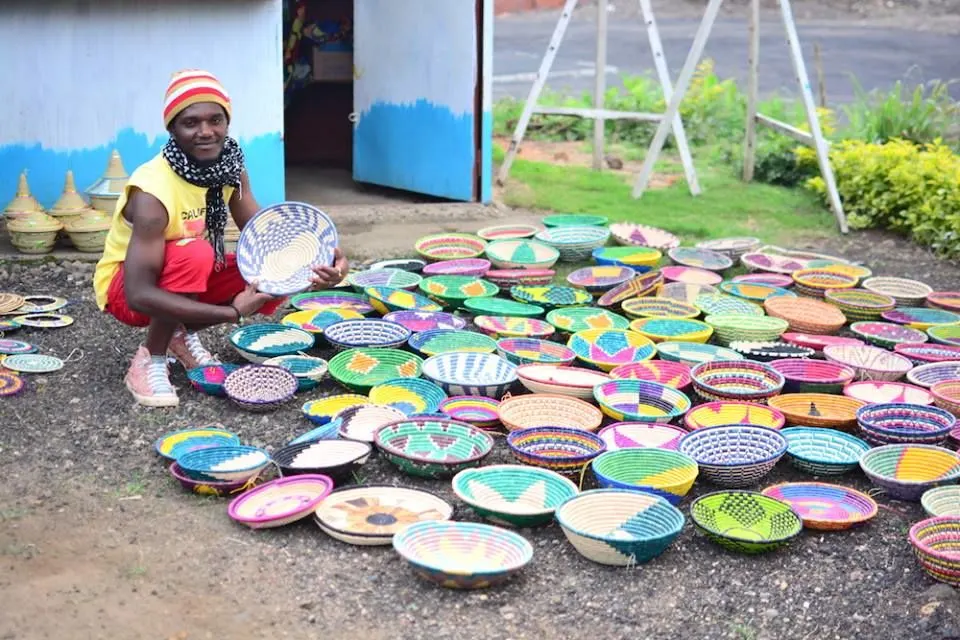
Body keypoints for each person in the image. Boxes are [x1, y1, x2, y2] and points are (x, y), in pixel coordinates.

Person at [92, 69, 348, 408]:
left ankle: (176, 334)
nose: (206, 132)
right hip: (124, 291)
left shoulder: (229, 167)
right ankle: (149, 359)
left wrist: (325, 264)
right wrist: (232, 313)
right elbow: (139, 295)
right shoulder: (153, 191)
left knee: (264, 275)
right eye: (190, 123)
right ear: (172, 129)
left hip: (177, 278)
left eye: (216, 120)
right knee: (195, 253)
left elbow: (265, 237)